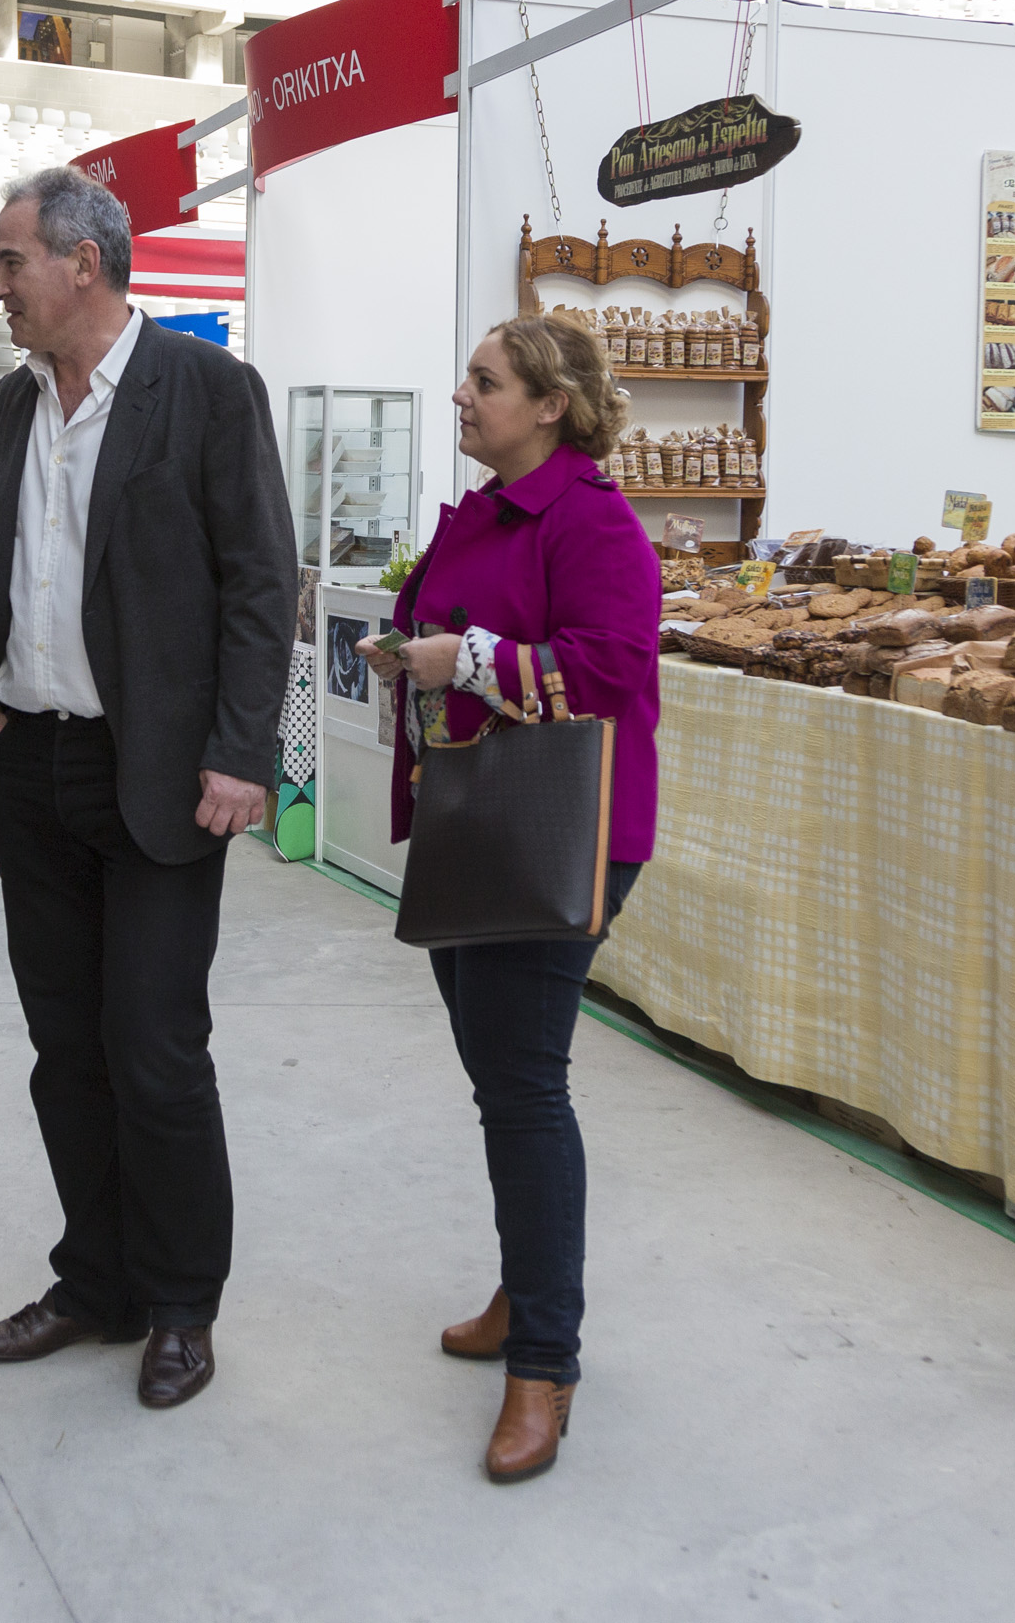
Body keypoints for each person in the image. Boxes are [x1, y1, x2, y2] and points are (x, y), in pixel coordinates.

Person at [0, 167, 295, 1409]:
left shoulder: (206, 389)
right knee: (65, 1048)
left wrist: (242, 750)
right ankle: (94, 1282)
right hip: (31, 764)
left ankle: (181, 1301)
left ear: (81, 263)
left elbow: (260, 579)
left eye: (11, 261)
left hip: (155, 774)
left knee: (153, 1046)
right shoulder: (15, 397)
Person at [360, 311, 661, 1485]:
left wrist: (468, 659)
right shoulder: (489, 509)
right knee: (501, 1080)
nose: (462, 395)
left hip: (558, 833)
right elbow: (442, 623)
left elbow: (611, 666)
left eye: (484, 381)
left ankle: (544, 1356)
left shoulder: (592, 520)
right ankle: (525, 1283)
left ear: (549, 404)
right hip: (479, 822)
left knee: (525, 1086)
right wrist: (411, 648)